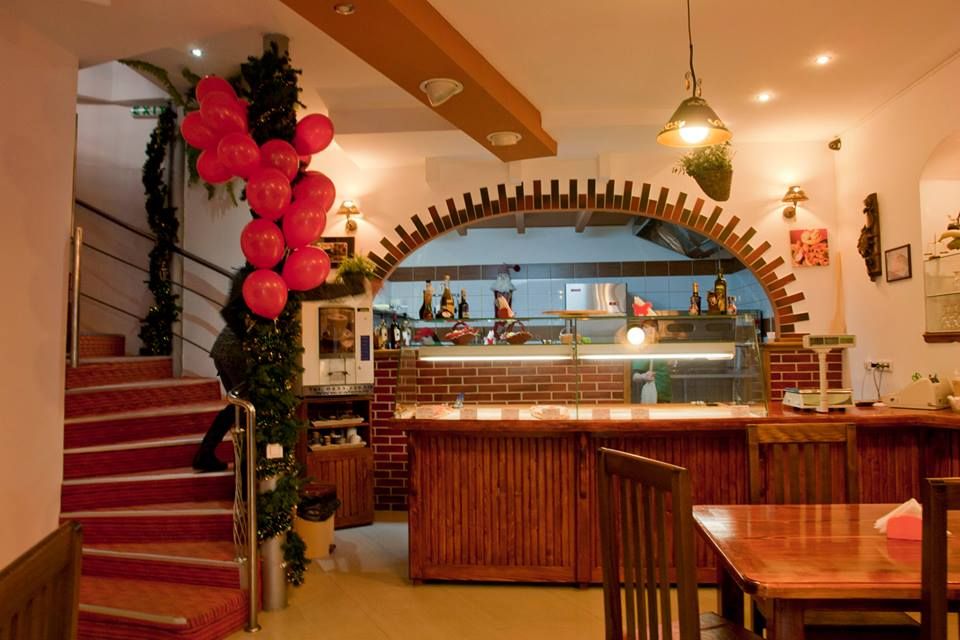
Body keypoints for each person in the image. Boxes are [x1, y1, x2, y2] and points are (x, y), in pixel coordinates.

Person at [193, 270, 248, 472]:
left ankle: (206, 453)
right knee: (246, 405)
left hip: (223, 349)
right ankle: (244, 462)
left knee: (238, 406)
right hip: (236, 351)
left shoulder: (247, 279)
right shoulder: (264, 283)